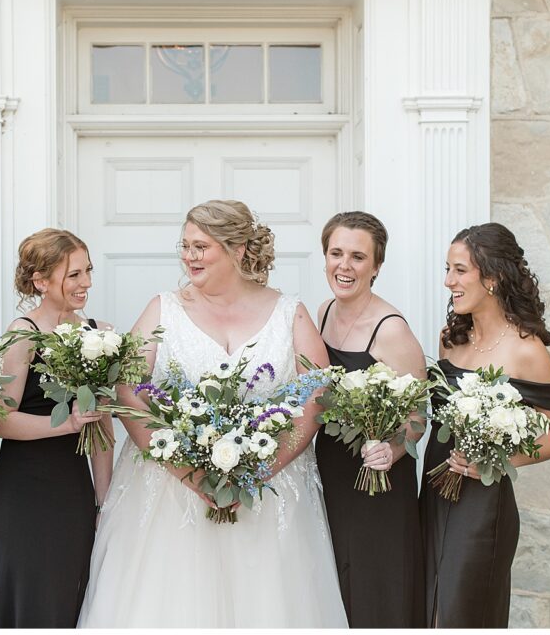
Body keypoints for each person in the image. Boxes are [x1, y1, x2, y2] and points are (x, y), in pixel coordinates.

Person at [77, 200, 347, 628]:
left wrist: (259, 471)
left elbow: (315, 398)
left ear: (238, 249)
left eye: (201, 246)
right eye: (185, 246)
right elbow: (128, 391)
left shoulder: (289, 312)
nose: (189, 256)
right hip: (170, 491)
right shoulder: (162, 308)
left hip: (269, 490)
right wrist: (188, 472)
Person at [421, 223, 550, 628]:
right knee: (427, 608)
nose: (448, 281)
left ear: (491, 277)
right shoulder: (451, 339)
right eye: (448, 269)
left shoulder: (527, 350)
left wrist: (500, 460)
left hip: (483, 506)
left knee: (462, 612)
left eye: (459, 270)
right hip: (434, 492)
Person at [0, 229, 114, 627]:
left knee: (71, 593)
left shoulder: (100, 332)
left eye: (87, 271)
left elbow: (103, 425)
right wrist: (67, 424)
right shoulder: (22, 335)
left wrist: (102, 501)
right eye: (73, 274)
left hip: (73, 486)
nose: (86, 283)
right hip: (24, 490)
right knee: (29, 596)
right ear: (40, 280)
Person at [313, 211, 427, 627]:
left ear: (376, 266)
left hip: (377, 476)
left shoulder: (392, 329)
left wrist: (391, 451)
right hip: (330, 467)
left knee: (375, 584)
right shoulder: (323, 312)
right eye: (336, 253)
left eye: (358, 257)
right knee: (335, 580)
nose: (344, 266)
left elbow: (418, 415)